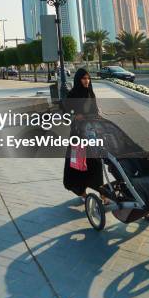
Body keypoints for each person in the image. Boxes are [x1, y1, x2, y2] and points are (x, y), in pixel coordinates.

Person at [63, 68, 107, 202]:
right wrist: (75, 115)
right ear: (78, 79)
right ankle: (82, 192)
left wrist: (98, 114)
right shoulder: (73, 94)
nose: (86, 81)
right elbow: (66, 110)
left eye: (88, 78)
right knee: (79, 163)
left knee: (96, 163)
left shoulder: (90, 93)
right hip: (78, 135)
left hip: (92, 134)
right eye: (83, 78)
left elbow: (94, 110)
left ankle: (103, 194)